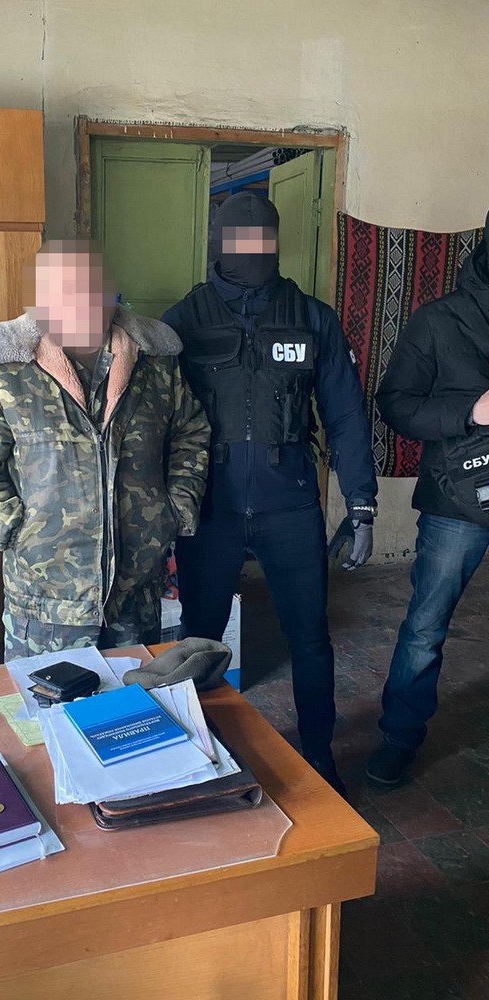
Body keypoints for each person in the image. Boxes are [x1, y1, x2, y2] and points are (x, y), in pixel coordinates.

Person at [163, 192, 378, 796]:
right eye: (239, 238)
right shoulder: (184, 321)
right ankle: (201, 759)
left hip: (291, 507)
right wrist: (157, 516)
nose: (251, 250)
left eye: (263, 237)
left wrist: (361, 504)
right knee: (199, 644)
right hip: (211, 510)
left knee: (309, 639)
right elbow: (154, 424)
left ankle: (319, 757)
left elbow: (345, 416)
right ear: (218, 242)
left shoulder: (311, 318)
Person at [0, 239, 210, 658]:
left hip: (135, 596)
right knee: (41, 700)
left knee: (133, 697)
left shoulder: (155, 362)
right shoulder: (6, 369)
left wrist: (175, 509)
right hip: (45, 602)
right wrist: (12, 526)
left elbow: (191, 432)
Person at [367, 211, 489, 787]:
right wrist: (471, 412)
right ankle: (400, 736)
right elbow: (396, 404)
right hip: (456, 501)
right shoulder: (439, 320)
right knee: (426, 626)